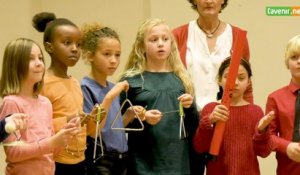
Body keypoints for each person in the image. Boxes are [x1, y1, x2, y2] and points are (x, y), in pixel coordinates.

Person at [119, 18, 200, 175]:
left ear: (171, 44)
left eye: (165, 39)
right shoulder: (130, 80)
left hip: (178, 164)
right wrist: (140, 116)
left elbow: (193, 126)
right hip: (142, 165)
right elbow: (116, 125)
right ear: (142, 46)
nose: (161, 44)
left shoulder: (182, 80)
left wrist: (190, 108)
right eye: (153, 40)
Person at [0, 38, 81, 175]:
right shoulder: (11, 102)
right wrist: (51, 142)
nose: (39, 64)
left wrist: (65, 135)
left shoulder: (45, 103)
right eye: (30, 59)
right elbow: (13, 154)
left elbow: (51, 151)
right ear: (15, 65)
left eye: (40, 58)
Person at [80, 23, 147, 175]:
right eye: (107, 54)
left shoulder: (112, 87)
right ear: (90, 55)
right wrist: (110, 97)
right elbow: (94, 130)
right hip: (101, 160)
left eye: (117, 55)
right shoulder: (85, 87)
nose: (113, 60)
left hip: (122, 158)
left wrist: (128, 116)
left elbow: (111, 128)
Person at [172, 0, 252, 113]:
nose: (209, 1)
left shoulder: (238, 36)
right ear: (194, 1)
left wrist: (247, 115)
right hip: (188, 117)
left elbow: (245, 83)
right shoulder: (178, 35)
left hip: (225, 116)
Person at [32, 12, 86, 175]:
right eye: (67, 43)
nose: (75, 49)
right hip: (55, 161)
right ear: (49, 47)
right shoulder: (42, 83)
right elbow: (36, 127)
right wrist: (68, 120)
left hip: (79, 159)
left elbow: (84, 129)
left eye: (78, 44)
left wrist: (91, 118)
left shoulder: (75, 82)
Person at [193, 58, 264, 175]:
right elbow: (199, 147)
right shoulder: (210, 109)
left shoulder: (255, 111)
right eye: (228, 77)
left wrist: (263, 132)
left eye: (241, 78)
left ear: (249, 81)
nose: (235, 82)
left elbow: (263, 152)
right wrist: (209, 121)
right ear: (220, 80)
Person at [253, 35, 300, 175]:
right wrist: (286, 147)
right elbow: (269, 136)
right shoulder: (275, 98)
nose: (299, 61)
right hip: (289, 169)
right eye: (294, 57)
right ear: (287, 62)